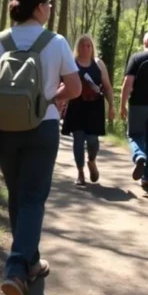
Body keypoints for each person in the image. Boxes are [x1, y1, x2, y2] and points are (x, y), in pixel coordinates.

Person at [0, 0, 81, 295]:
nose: (50, 8)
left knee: (18, 195)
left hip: (5, 128)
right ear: (37, 8)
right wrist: (51, 96)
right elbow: (74, 88)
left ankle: (31, 262)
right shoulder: (56, 42)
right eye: (47, 3)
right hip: (43, 126)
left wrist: (3, 88)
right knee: (33, 197)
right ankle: (16, 269)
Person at [61, 34, 115, 186]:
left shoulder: (98, 64)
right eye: (83, 45)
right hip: (76, 106)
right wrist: (61, 104)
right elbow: (64, 85)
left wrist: (111, 105)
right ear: (78, 48)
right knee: (78, 140)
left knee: (92, 140)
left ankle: (91, 160)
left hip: (94, 108)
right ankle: (80, 172)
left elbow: (108, 87)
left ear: (92, 48)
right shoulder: (72, 63)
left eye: (89, 45)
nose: (86, 48)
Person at [120, 31, 148, 191]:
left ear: (145, 42)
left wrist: (122, 104)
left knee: (135, 135)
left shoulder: (137, 58)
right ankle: (147, 179)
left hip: (137, 104)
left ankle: (139, 155)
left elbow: (128, 82)